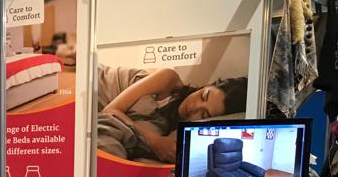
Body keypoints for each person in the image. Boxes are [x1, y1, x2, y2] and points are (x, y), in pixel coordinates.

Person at [97, 65, 247, 163]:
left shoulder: (175, 132)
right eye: (203, 96)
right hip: (94, 88)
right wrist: (155, 141)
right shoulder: (168, 79)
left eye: (203, 114)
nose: (193, 107)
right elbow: (110, 111)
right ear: (205, 86)